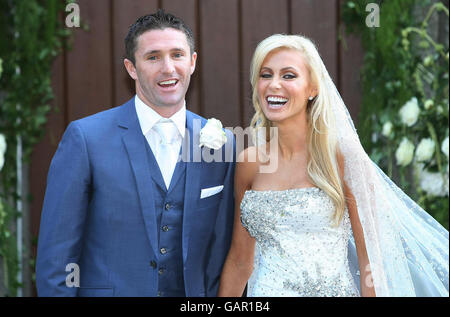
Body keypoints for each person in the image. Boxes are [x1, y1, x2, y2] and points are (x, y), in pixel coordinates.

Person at [218, 34, 449, 297]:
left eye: (289, 76)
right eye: (266, 75)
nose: (274, 85)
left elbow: (369, 260)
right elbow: (239, 261)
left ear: (313, 89)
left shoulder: (342, 156)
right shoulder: (249, 162)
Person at [36, 10, 235, 297]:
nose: (168, 68)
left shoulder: (222, 144)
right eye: (153, 57)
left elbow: (221, 252)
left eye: (177, 55)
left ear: (192, 62)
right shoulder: (85, 139)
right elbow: (57, 258)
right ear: (131, 68)